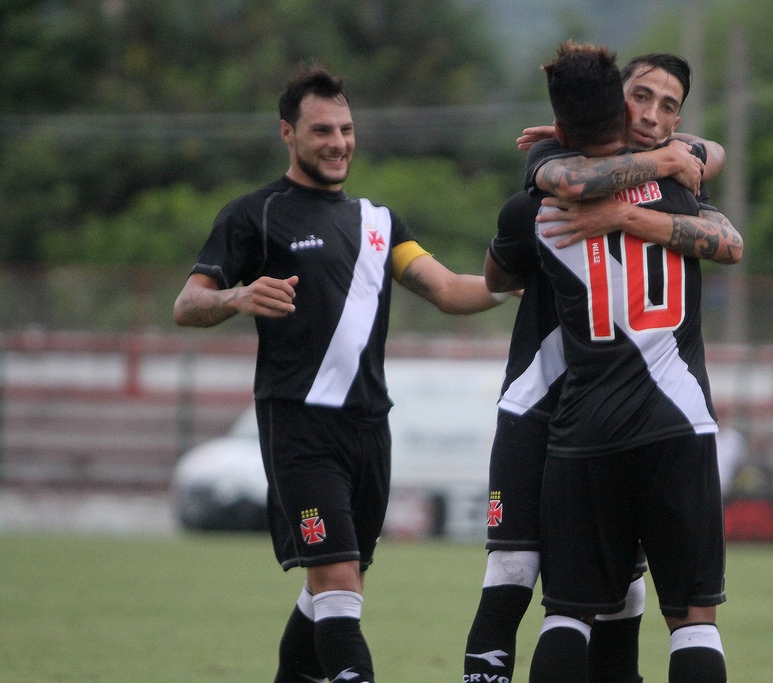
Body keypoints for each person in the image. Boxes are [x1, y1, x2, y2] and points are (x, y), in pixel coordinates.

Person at [173, 63, 508, 683]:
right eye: (322, 130)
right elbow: (188, 303)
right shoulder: (254, 215)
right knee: (336, 580)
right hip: (299, 427)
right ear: (288, 133)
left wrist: (517, 278)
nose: (338, 142)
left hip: (369, 428)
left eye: (346, 130)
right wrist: (237, 296)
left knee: (337, 582)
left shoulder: (379, 222)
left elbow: (449, 290)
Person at [463, 47, 741, 683]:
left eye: (667, 106)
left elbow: (497, 278)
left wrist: (616, 207)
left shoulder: (537, 202)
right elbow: (730, 241)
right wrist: (666, 174)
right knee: (692, 620)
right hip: (677, 421)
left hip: (584, 427)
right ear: (617, 102)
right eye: (640, 97)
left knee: (569, 611)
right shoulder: (680, 190)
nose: (652, 114)